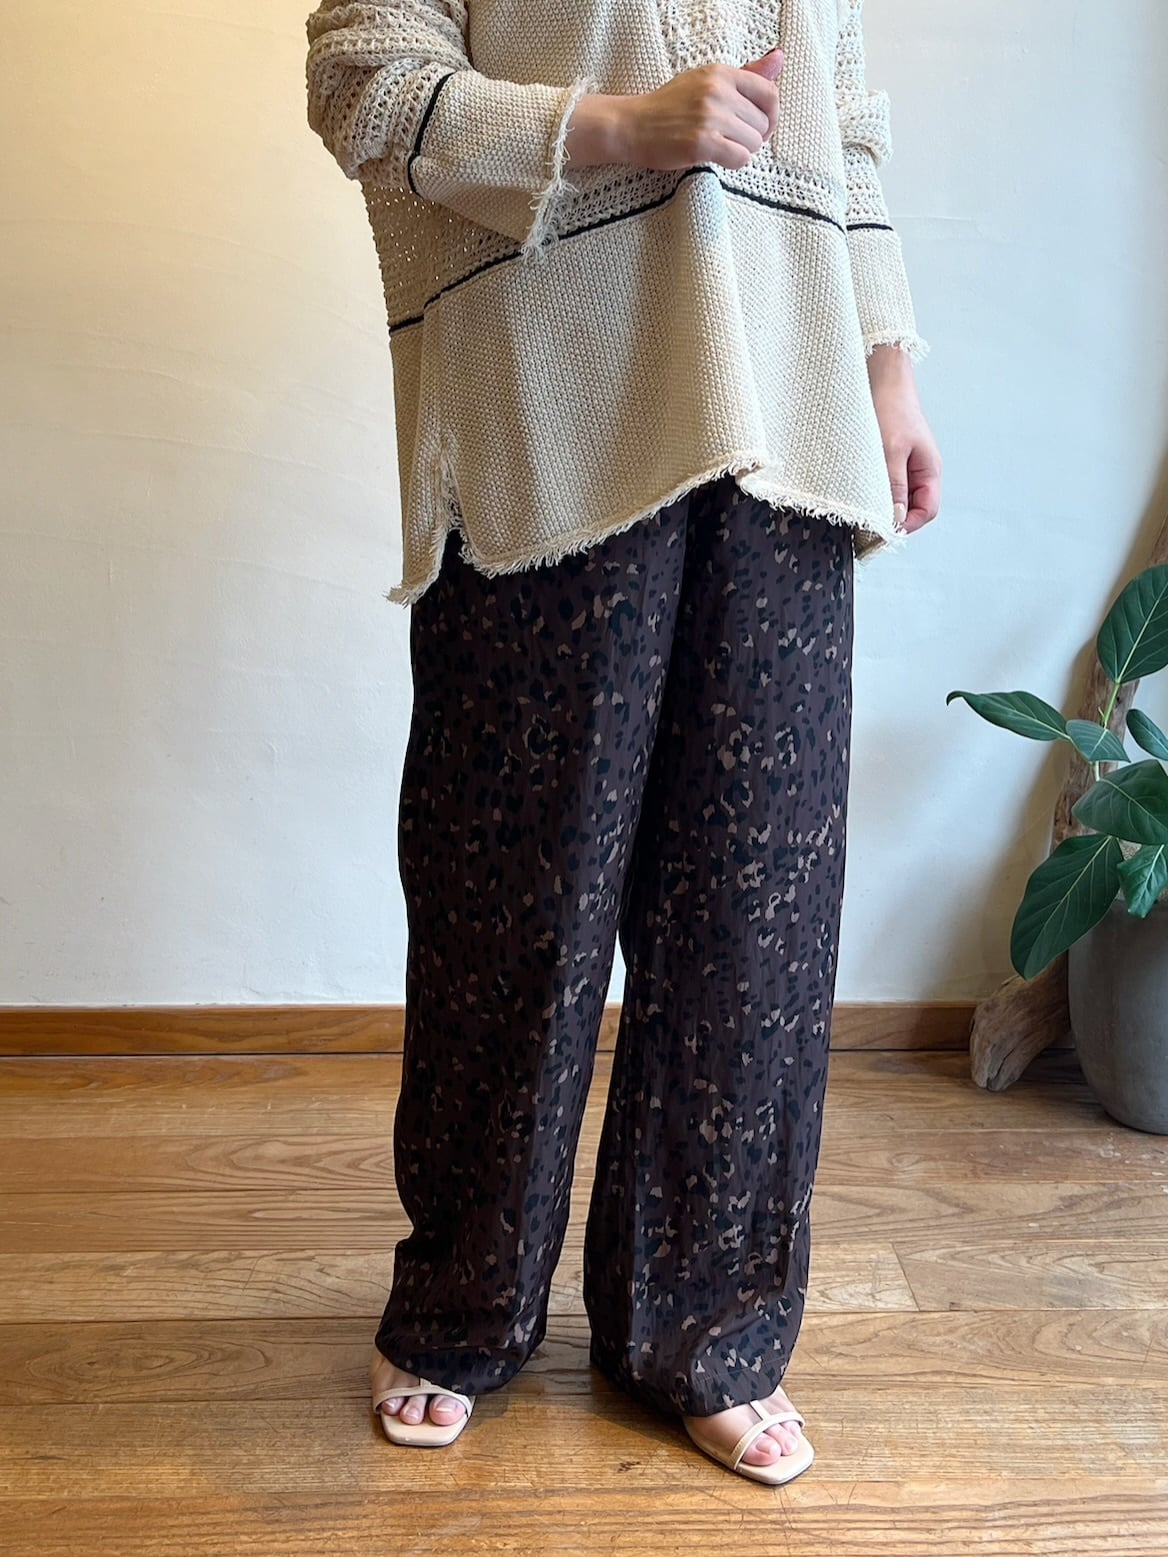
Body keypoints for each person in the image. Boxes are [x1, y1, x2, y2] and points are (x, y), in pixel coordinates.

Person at [305, 0, 942, 1486]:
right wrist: (617, 129)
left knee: (756, 914)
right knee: (514, 897)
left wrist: (890, 367)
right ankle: (463, 1302)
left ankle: (708, 1328)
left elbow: (843, 123)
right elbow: (360, 77)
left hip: (791, 403)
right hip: (556, 404)